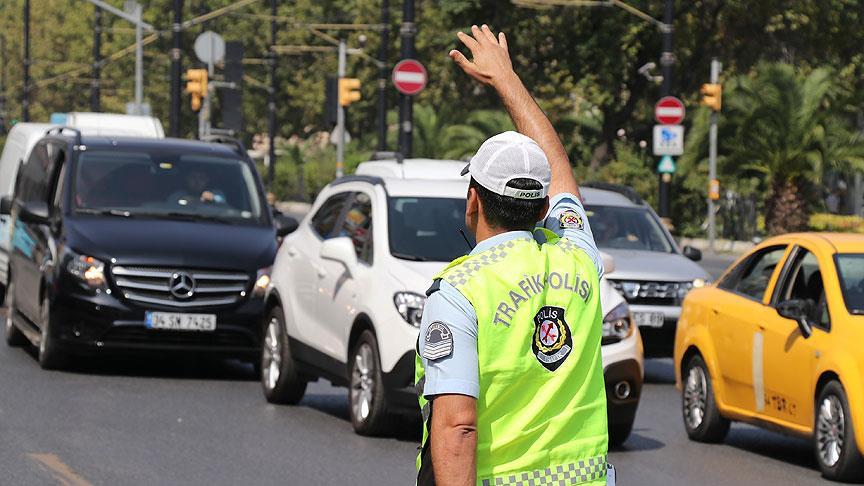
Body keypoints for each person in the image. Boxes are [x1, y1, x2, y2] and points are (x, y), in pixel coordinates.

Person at [414, 25, 612, 486]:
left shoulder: (459, 292)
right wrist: (508, 79)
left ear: (473, 200)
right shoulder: (578, 258)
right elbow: (559, 169)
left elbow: (458, 425)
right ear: (545, 208)